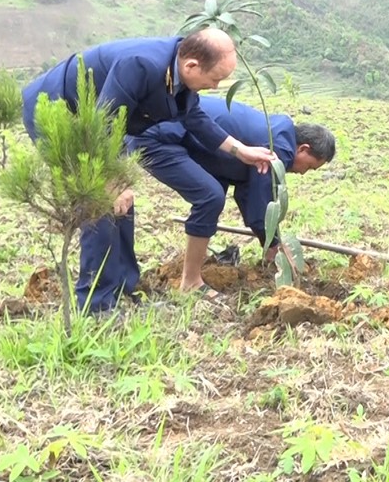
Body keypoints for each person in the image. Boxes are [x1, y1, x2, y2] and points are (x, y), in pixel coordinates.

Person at [19, 29, 276, 313]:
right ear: (191, 66)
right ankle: (96, 307)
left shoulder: (178, 69)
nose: (215, 87)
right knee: (99, 203)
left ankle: (124, 288)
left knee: (122, 204)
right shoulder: (141, 64)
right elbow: (104, 121)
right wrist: (113, 180)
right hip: (58, 111)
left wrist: (242, 151)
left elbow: (195, 118)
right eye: (214, 79)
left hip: (99, 123)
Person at [132, 96, 336, 296]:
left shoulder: (278, 132)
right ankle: (190, 282)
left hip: (173, 132)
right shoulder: (278, 149)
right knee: (210, 197)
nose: (302, 173)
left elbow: (247, 192)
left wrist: (268, 241)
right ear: (303, 148)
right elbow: (260, 201)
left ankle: (193, 270)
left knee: (214, 191)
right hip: (157, 135)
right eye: (309, 167)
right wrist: (274, 245)